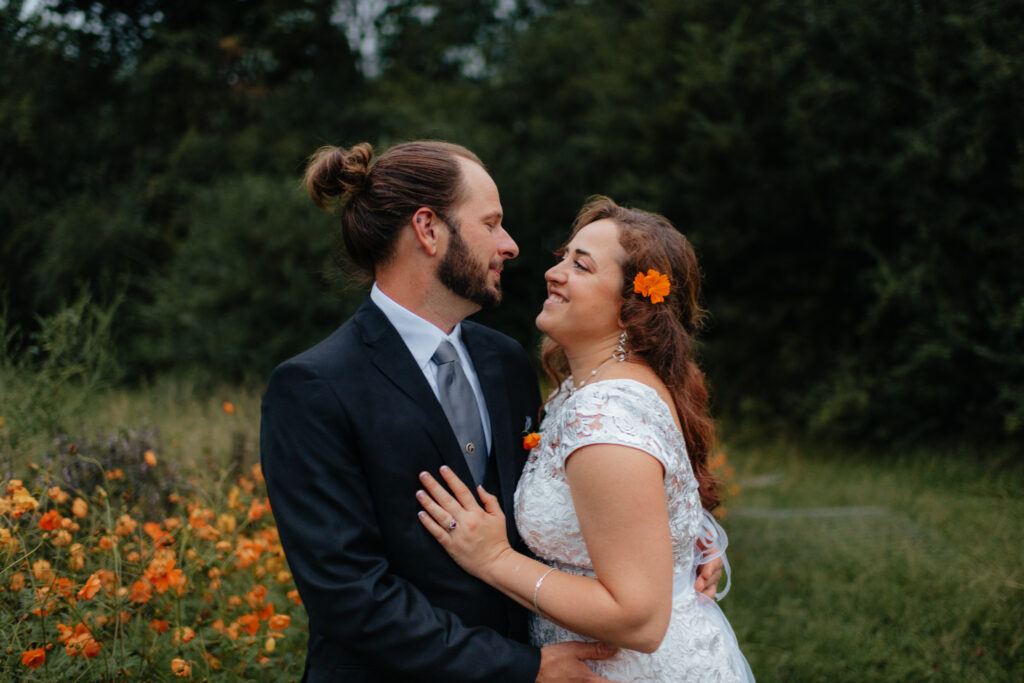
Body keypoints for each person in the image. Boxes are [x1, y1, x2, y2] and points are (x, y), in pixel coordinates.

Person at [259, 140, 621, 682]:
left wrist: (684, 545)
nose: (511, 245)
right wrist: (521, 669)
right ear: (428, 229)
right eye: (492, 223)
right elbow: (350, 595)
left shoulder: (504, 361)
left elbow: (559, 497)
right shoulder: (313, 388)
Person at [416, 196, 755, 681]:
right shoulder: (601, 388)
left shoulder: (604, 412)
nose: (554, 272)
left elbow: (638, 620)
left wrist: (493, 559)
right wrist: (699, 540)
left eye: (581, 265)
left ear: (630, 307)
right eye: (563, 256)